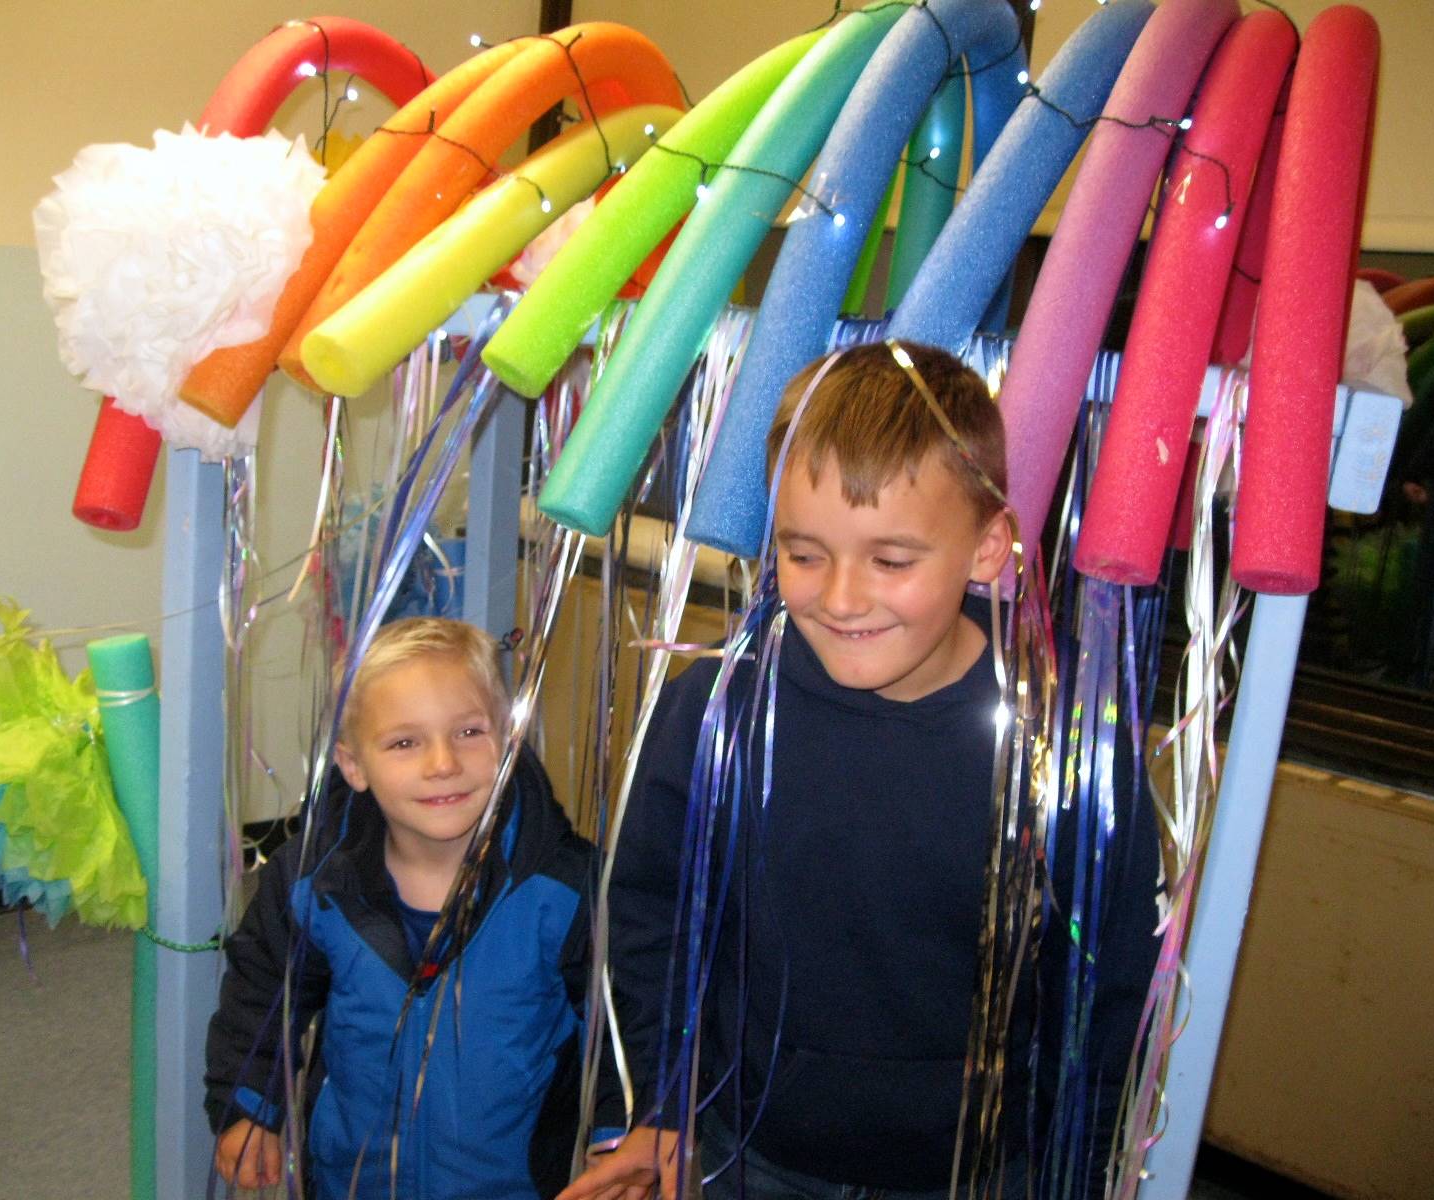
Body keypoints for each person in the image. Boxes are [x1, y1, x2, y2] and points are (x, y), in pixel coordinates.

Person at [562, 340, 1160, 1199]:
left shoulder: (1065, 749)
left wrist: (1083, 1161)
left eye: (891, 560)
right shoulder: (719, 709)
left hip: (977, 1173)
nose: (841, 598)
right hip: (749, 1154)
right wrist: (660, 1100)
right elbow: (653, 916)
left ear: (989, 550)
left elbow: (1107, 987)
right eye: (805, 555)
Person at [205, 617, 593, 1199]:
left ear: (509, 739)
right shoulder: (317, 881)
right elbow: (263, 991)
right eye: (405, 742)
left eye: (468, 732)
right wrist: (249, 1103)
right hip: (353, 1181)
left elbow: (632, 1023)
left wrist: (622, 1137)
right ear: (353, 765)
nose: (442, 763)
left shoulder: (564, 889)